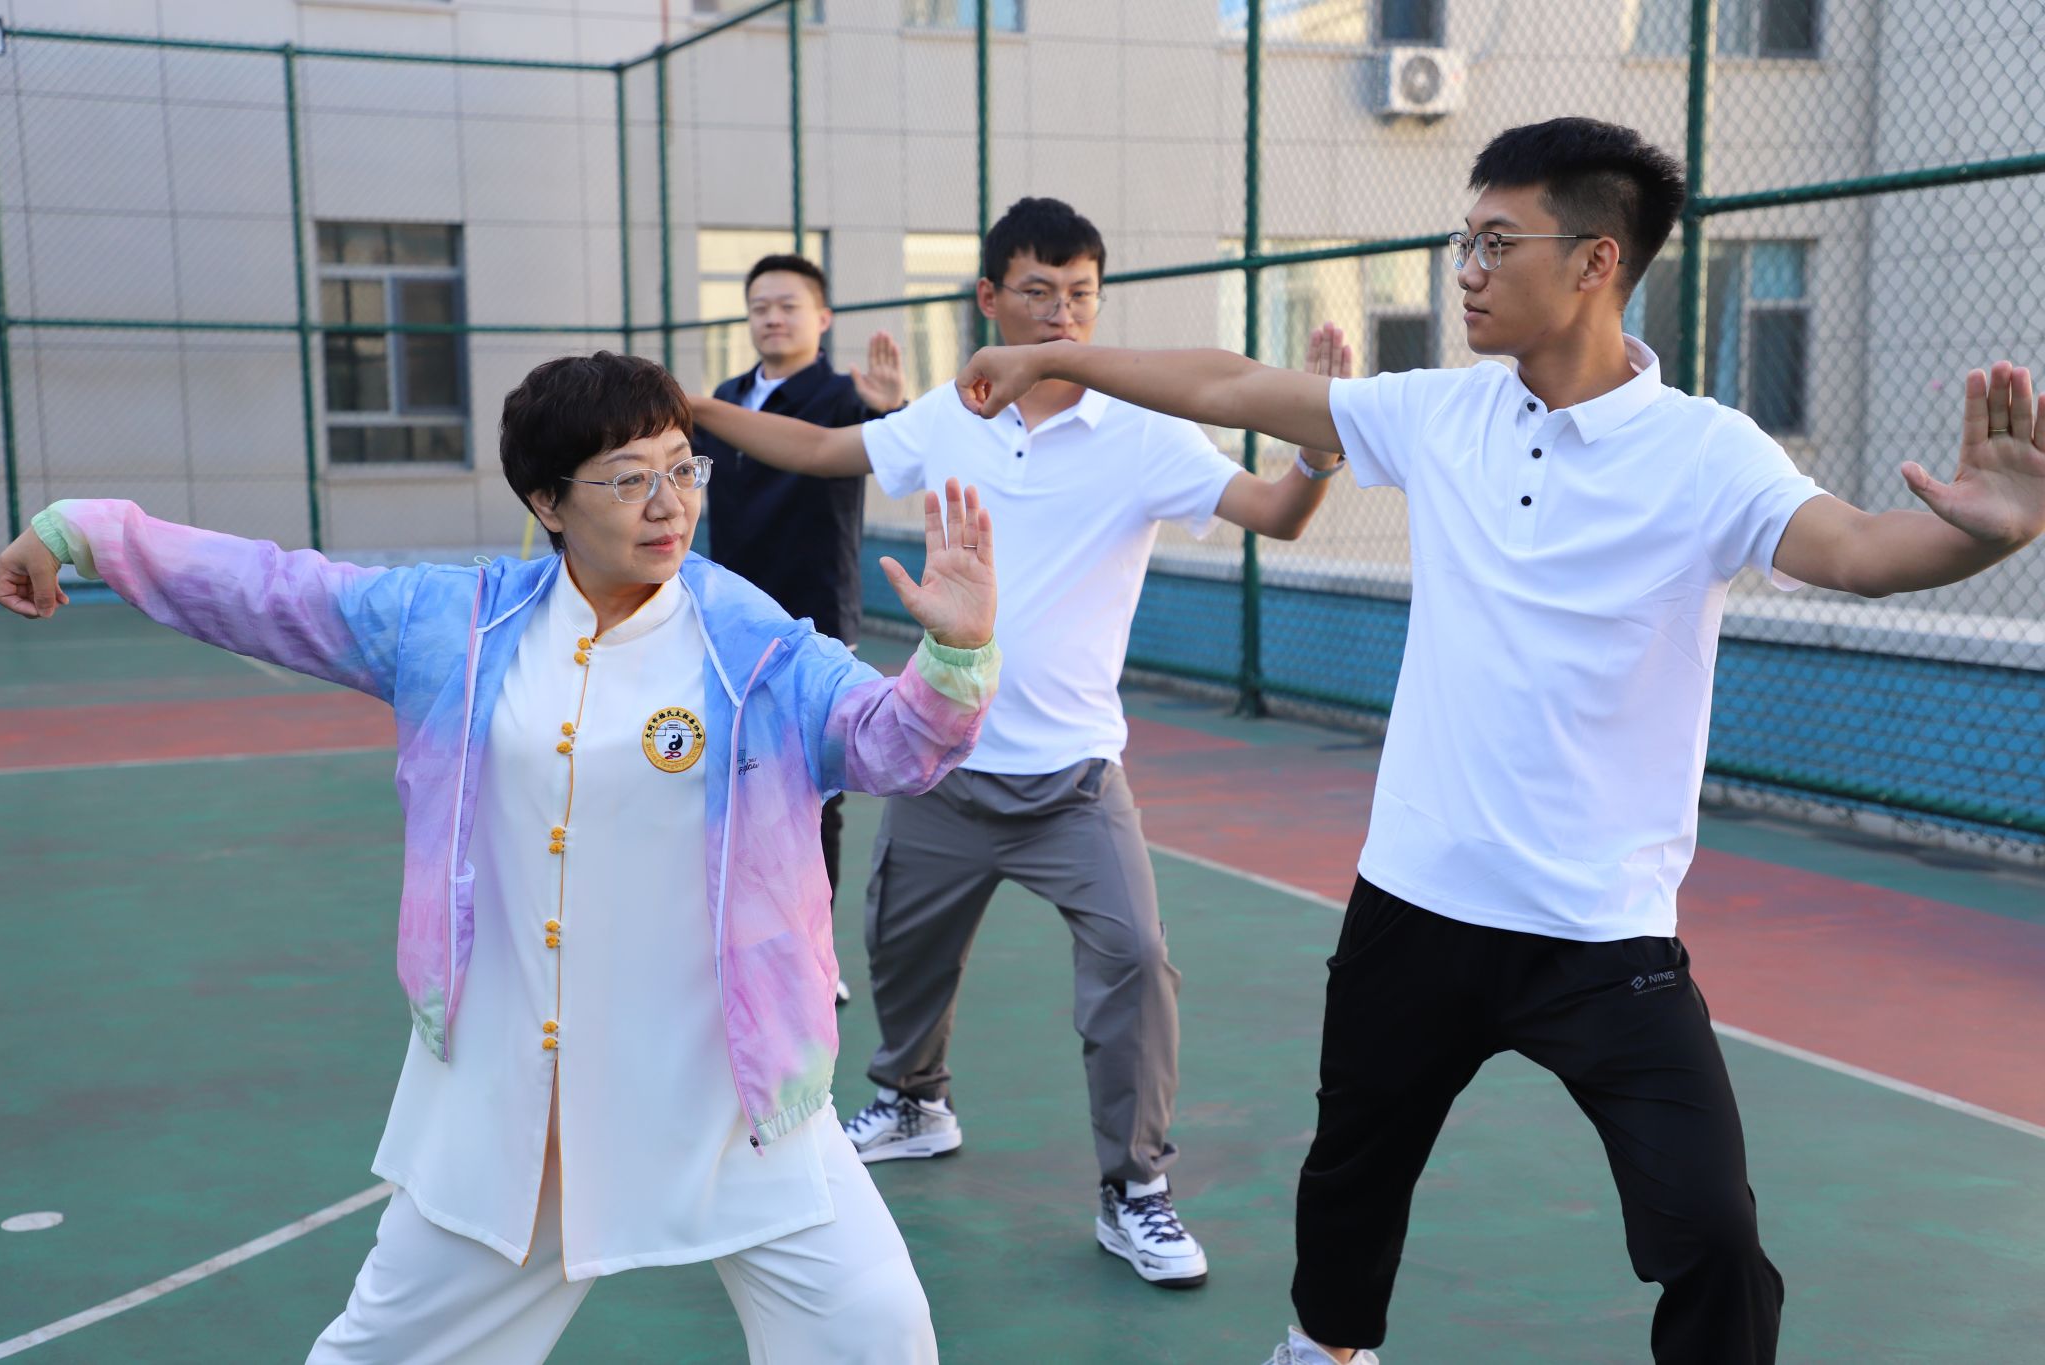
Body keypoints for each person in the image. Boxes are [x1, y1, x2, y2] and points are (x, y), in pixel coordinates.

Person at [951, 118, 2045, 1365]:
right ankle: (1325, 1351)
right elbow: (1232, 386)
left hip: (1601, 931)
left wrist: (1983, 532)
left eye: (1493, 243)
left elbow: (1852, 550)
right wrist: (1058, 359)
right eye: (1460, 241)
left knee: (1710, 1237)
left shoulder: (1703, 453)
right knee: (1350, 1179)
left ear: (1593, 261)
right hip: (1416, 899)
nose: (1463, 271)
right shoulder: (1439, 414)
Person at [0, 351, 1004, 1364]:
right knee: (381, 1355)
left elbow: (889, 743)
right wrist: (88, 532)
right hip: (522, 1099)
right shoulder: (460, 627)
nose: (668, 504)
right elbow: (276, 593)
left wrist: (954, 659)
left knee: (873, 1330)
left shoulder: (752, 646)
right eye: (628, 478)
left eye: (681, 468)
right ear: (547, 501)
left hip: (732, 1094)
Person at [687, 195, 1353, 1290]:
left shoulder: (1146, 429)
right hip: (943, 764)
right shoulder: (950, 415)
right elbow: (815, 447)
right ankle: (914, 1101)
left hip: (1076, 780)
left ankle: (1133, 1188)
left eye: (1081, 294)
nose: (1061, 313)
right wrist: (693, 409)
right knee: (897, 946)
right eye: (1038, 291)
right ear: (989, 298)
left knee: (1134, 963)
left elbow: (1274, 511)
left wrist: (1317, 455)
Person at [698, 252, 909, 1005]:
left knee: (814, 795)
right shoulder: (724, 400)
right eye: (759, 306)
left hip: (814, 619)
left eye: (788, 305)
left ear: (822, 318)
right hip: (729, 623)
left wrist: (888, 410)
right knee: (727, 785)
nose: (772, 318)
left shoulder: (843, 396)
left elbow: (896, 452)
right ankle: (732, 943)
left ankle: (813, 956)